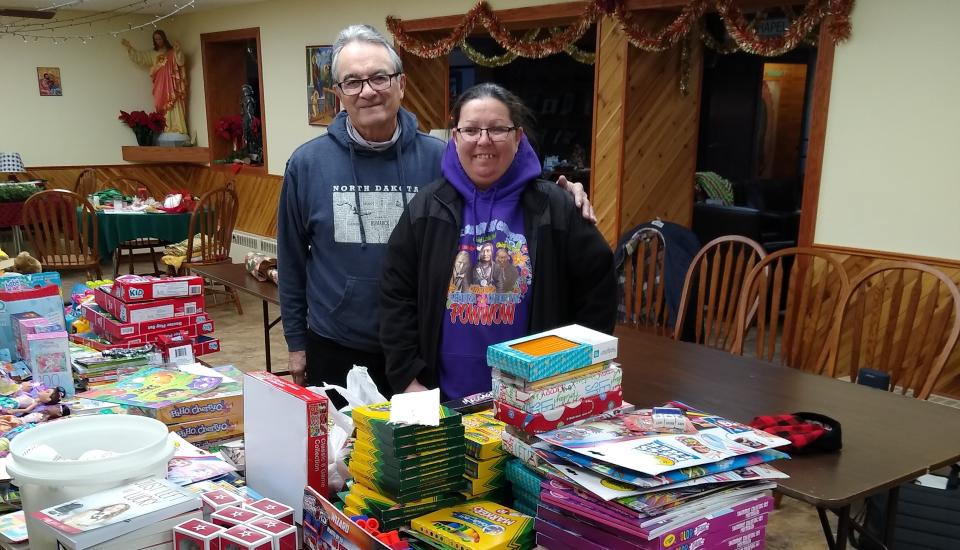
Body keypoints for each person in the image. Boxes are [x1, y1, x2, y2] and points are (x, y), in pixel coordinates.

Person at [278, 25, 595, 393]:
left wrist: (565, 193)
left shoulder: (442, 158)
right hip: (336, 344)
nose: (368, 91)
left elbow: (498, 179)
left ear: (401, 84)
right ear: (338, 93)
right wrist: (296, 343)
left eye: (379, 77)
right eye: (352, 82)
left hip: (423, 351)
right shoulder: (306, 164)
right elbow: (291, 259)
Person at [379, 83, 617, 399]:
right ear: (455, 137)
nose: (483, 140)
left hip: (536, 402)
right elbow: (395, 296)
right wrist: (408, 378)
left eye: (497, 130)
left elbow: (598, 290)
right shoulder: (427, 209)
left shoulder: (555, 209)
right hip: (440, 399)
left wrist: (574, 374)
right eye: (471, 130)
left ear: (518, 138)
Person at [121, 30, 188, 135]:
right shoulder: (153, 54)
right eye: (156, 39)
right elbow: (141, 58)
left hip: (171, 84)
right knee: (159, 103)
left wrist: (178, 51)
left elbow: (181, 62)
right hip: (159, 84)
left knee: (173, 101)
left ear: (164, 38)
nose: (158, 41)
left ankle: (176, 127)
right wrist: (130, 48)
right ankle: (165, 127)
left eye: (160, 38)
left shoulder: (172, 52)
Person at [62, 503, 130, 530]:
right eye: (114, 506)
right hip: (66, 525)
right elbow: (70, 519)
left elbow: (86, 526)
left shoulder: (106, 519)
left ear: (118, 511)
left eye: (117, 508)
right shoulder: (93, 511)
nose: (113, 508)